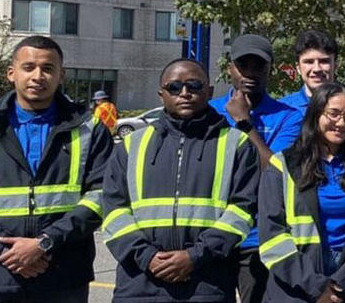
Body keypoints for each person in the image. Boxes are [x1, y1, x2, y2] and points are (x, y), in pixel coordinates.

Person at [102, 59, 260, 302]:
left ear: (209, 92)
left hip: (207, 283)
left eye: (194, 86)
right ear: (161, 95)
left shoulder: (235, 144)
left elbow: (242, 211)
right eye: (174, 87)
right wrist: (146, 257)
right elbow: (113, 211)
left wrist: (195, 256)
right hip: (139, 283)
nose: (184, 93)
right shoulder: (132, 146)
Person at [0, 36, 112, 303]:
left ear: (62, 75)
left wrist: (44, 242)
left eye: (48, 68)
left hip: (64, 274)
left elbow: (101, 196)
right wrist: (6, 251)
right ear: (11, 73)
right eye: (29, 67)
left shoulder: (89, 130)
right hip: (0, 273)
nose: (38, 76)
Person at [257, 83, 345, 303]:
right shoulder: (283, 164)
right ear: (315, 114)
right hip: (295, 284)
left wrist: (341, 283)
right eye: (333, 113)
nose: (341, 123)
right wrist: (317, 287)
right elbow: (272, 236)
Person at [209, 34, 304, 303]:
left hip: (257, 240)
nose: (250, 73)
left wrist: (243, 123)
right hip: (213, 234)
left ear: (270, 69)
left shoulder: (288, 116)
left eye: (258, 66)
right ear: (230, 68)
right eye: (243, 65)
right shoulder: (210, 112)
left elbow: (275, 172)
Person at [280, 30, 339, 111]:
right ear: (298, 68)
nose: (317, 69)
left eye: (324, 61)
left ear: (335, 65)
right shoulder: (283, 110)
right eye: (309, 62)